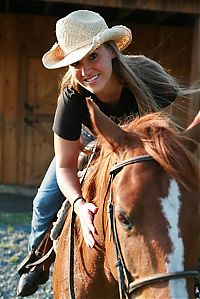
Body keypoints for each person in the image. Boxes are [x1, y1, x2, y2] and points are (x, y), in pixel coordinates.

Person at [17, 9, 196, 297]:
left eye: (93, 56)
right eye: (76, 62)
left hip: (136, 147)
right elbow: (65, 165)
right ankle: (36, 262)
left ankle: (187, 265)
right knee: (43, 201)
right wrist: (78, 205)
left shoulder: (151, 80)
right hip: (85, 142)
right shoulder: (73, 98)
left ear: (111, 51)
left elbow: (159, 137)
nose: (86, 70)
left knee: (174, 200)